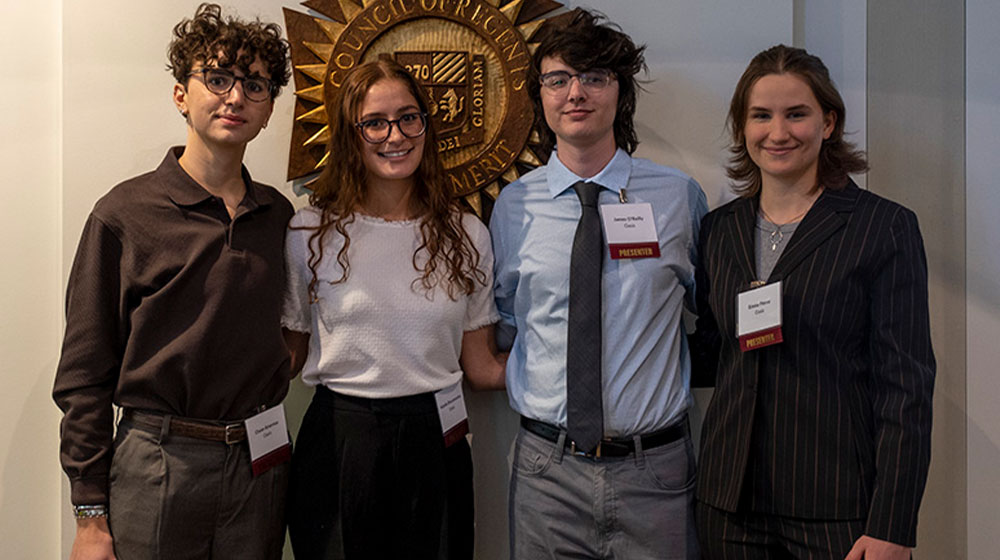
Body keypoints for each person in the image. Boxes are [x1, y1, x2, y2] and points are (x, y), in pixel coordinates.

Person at [52, 4, 293, 559]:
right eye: (218, 78)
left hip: (258, 465)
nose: (235, 97)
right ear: (182, 94)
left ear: (268, 108)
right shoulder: (124, 214)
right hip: (156, 462)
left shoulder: (279, 217)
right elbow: (84, 376)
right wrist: (90, 516)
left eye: (254, 85)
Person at [692, 44, 935, 560]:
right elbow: (711, 354)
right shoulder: (717, 229)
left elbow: (906, 387)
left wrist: (893, 524)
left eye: (796, 114)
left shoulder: (883, 227)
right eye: (761, 115)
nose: (778, 133)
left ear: (828, 122)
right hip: (728, 504)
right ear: (742, 127)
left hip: (838, 510)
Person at [490, 9, 707, 559]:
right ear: (540, 95)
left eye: (594, 77)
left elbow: (709, 315)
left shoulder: (678, 198)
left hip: (654, 472)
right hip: (546, 473)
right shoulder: (513, 208)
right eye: (558, 79)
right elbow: (510, 324)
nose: (575, 93)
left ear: (620, 92)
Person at [281, 59, 506, 560]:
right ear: (350, 134)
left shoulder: (466, 233)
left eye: (409, 118)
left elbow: (482, 366)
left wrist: (583, 362)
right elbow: (288, 356)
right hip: (341, 438)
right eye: (374, 123)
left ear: (426, 124)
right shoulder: (309, 232)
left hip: (437, 435)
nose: (395, 135)